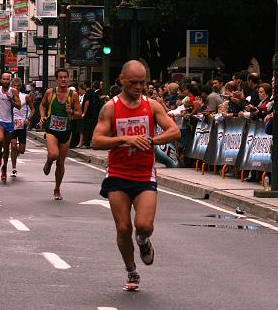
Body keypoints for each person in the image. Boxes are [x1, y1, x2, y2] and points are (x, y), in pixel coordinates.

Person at [92, 61, 179, 291]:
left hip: (143, 175)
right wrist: (124, 139)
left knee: (143, 225)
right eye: (133, 83)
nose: (139, 87)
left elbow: (174, 130)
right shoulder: (110, 107)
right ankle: (131, 271)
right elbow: (96, 141)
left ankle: (143, 241)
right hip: (118, 174)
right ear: (121, 79)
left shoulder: (151, 106)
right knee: (123, 228)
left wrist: (152, 140)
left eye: (142, 82)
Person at [38, 68, 82, 200]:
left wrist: (72, 111)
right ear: (57, 79)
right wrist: (43, 116)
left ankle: (57, 188)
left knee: (61, 163)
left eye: (65, 77)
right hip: (51, 129)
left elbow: (80, 114)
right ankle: (48, 161)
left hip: (66, 131)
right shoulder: (50, 92)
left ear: (68, 78)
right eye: (60, 77)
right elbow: (41, 105)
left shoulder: (73, 95)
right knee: (54, 154)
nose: (63, 79)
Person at [0, 72, 22, 183]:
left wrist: (10, 100)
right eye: (4, 79)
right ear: (1, 80)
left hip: (9, 121)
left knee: (7, 148)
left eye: (8, 79)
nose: (6, 81)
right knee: (0, 139)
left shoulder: (13, 91)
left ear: (10, 80)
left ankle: (4, 168)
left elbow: (19, 105)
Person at [9, 78, 35, 177]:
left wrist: (28, 118)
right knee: (13, 145)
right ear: (11, 86)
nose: (16, 88)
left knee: (22, 150)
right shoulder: (8, 96)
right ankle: (14, 168)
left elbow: (33, 109)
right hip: (12, 124)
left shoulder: (26, 97)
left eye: (18, 86)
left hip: (22, 124)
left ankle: (16, 154)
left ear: (20, 87)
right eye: (14, 86)